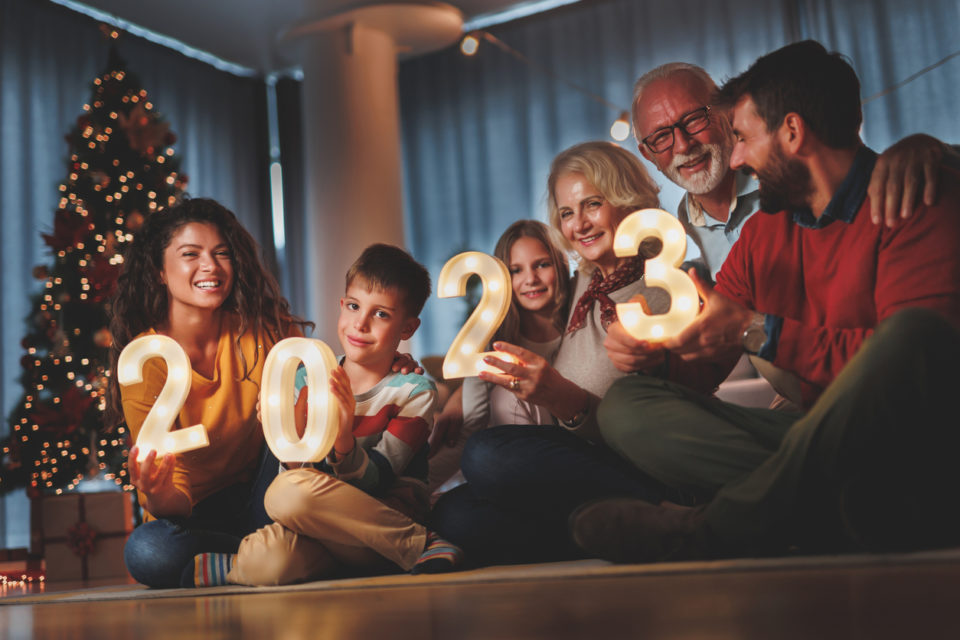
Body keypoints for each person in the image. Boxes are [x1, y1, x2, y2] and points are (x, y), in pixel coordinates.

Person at [572, 40, 960, 563]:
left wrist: (761, 332)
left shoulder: (910, 194)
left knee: (912, 336)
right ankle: (844, 509)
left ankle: (715, 528)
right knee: (627, 408)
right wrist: (659, 360)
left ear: (793, 133)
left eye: (742, 136)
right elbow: (708, 355)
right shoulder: (763, 235)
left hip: (921, 441)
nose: (736, 157)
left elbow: (908, 373)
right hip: (829, 441)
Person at [431, 141, 732, 566]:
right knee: (454, 513)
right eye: (567, 213)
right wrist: (461, 394)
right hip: (578, 464)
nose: (579, 225)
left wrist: (558, 395)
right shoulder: (586, 283)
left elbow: (676, 399)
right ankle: (630, 530)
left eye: (592, 204)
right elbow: (535, 311)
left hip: (639, 461)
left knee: (488, 454)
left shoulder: (666, 285)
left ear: (625, 201)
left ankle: (675, 512)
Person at [185, 244, 464, 586]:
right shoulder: (306, 376)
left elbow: (378, 481)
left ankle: (415, 543)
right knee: (272, 563)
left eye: (381, 314)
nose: (360, 323)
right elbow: (300, 472)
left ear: (407, 328)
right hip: (322, 525)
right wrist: (288, 431)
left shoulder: (415, 391)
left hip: (387, 517)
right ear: (341, 305)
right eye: (353, 306)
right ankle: (248, 563)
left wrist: (344, 436)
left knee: (286, 494)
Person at [107, 198, 312, 588]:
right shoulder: (145, 359)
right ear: (160, 271)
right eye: (191, 254)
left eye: (222, 254)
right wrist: (158, 490)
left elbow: (322, 395)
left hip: (267, 499)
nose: (211, 267)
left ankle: (238, 561)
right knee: (148, 552)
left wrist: (389, 364)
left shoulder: (266, 331)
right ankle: (259, 555)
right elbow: (174, 503)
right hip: (191, 516)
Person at [631, 62, 959, 280]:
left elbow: (855, 173)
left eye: (693, 120)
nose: (683, 145)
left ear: (726, 114)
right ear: (647, 154)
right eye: (661, 136)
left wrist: (933, 149)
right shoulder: (679, 229)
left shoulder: (787, 180)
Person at [428, 220, 571, 495]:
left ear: (560, 264)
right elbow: (470, 425)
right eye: (516, 270)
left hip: (567, 455)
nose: (530, 279)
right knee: (452, 514)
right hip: (511, 465)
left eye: (541, 264)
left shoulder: (580, 324)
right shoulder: (494, 339)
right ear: (502, 280)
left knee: (507, 396)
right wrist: (411, 493)